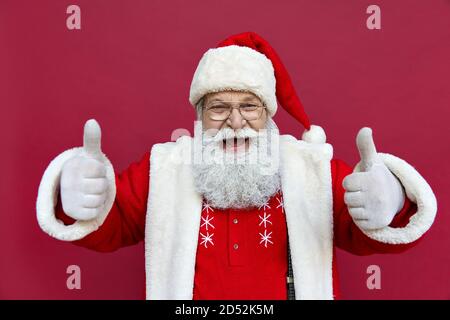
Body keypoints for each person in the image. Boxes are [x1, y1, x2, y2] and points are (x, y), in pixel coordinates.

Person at [36, 32, 437, 300]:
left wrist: (392, 202)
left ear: (268, 113)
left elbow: (368, 230)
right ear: (198, 115)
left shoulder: (311, 168)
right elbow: (111, 223)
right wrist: (81, 197)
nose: (235, 121)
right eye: (218, 109)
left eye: (249, 106)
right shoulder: (165, 167)